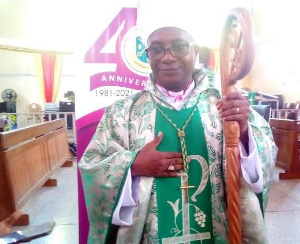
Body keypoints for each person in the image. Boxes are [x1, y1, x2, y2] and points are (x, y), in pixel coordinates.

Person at [79, 26, 277, 243]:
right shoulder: (121, 112)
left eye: (179, 47)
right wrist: (133, 165)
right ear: (148, 57)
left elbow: (263, 164)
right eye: (156, 50)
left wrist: (245, 132)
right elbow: (92, 165)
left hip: (220, 232)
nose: (167, 57)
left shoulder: (227, 105)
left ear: (197, 53)